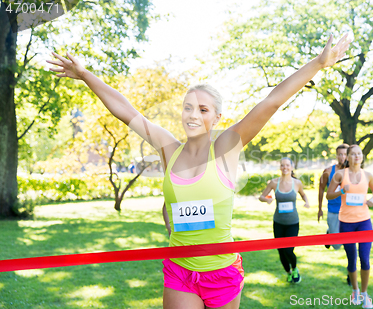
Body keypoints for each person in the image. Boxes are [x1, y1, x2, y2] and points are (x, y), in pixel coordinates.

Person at [48, 32, 351, 309]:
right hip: (180, 270)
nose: (193, 115)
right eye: (188, 107)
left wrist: (319, 63)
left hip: (221, 272)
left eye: (203, 110)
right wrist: (86, 75)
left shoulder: (226, 147)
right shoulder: (168, 147)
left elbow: (270, 102)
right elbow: (126, 110)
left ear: (217, 117)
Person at [326, 144, 373, 309]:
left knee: (364, 258)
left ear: (362, 157)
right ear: (348, 157)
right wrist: (342, 192)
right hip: (346, 223)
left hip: (364, 222)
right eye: (353, 154)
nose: (357, 156)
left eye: (359, 154)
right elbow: (328, 195)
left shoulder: (368, 175)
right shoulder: (340, 175)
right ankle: (355, 291)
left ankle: (365, 294)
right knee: (351, 259)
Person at [258, 157, 310, 284]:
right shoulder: (274, 183)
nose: (285, 167)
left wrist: (307, 202)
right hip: (278, 223)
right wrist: (267, 200)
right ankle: (288, 273)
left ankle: (295, 269)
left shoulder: (297, 183)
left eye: (287, 165)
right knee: (281, 251)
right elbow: (261, 196)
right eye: (282, 165)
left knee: (288, 249)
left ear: (291, 167)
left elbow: (303, 194)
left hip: (293, 222)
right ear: (280, 167)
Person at [318, 143, 348, 250]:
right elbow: (321, 188)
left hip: (348, 210)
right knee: (336, 246)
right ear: (336, 156)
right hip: (333, 210)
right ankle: (330, 232)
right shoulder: (328, 171)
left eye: (345, 154)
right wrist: (320, 209)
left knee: (349, 240)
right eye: (340, 154)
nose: (342, 157)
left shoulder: (352, 172)